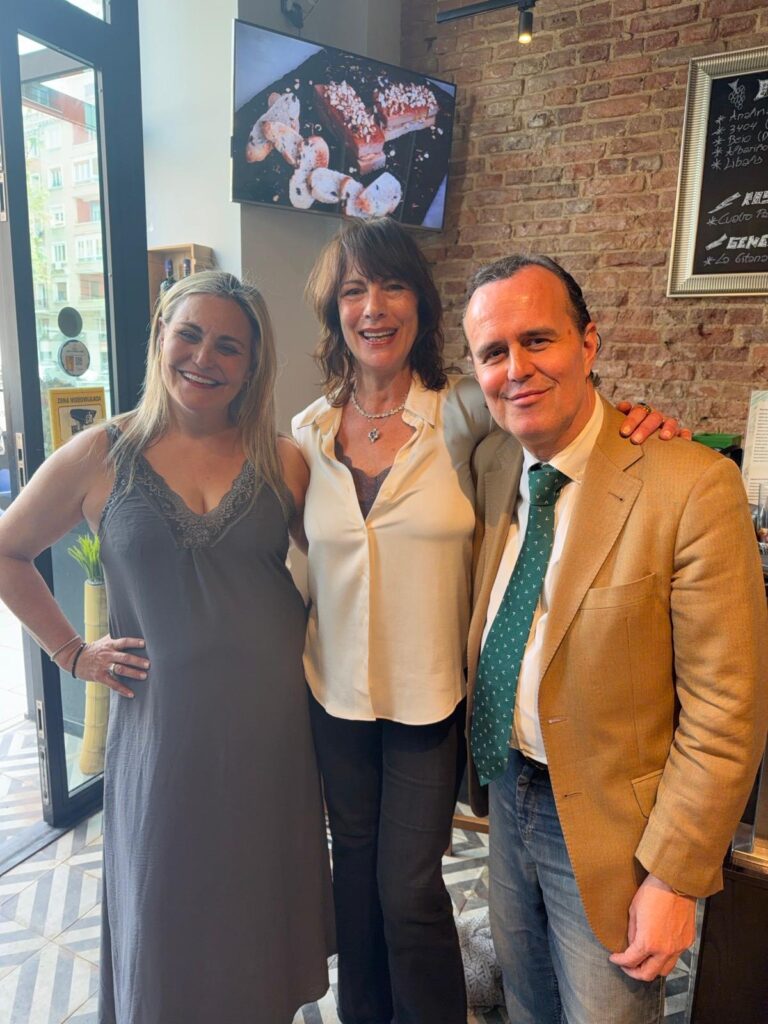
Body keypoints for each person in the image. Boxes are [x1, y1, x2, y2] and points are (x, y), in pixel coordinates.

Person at [292, 217, 683, 1024]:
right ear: (334, 310)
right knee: (354, 881)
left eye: (392, 285)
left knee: (408, 890)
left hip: (431, 700)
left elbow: (561, 416)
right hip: (333, 699)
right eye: (355, 290)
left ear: (422, 304)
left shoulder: (465, 410)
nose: (374, 306)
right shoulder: (307, 432)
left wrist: (639, 421)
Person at [0, 271, 334, 1024]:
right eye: (190, 334)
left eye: (229, 346)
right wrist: (71, 652)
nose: (204, 358)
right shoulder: (100, 454)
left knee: (257, 909)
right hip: (162, 737)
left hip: (272, 736)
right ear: (160, 338)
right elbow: (7, 551)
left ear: (252, 364)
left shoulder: (284, 461)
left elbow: (345, 567)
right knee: (164, 908)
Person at [462, 252, 768, 1024]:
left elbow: (727, 711)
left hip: (616, 832)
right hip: (509, 789)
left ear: (589, 343)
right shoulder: (496, 463)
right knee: (527, 1006)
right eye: (493, 352)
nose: (516, 369)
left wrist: (675, 876)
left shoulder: (690, 485)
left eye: (538, 340)